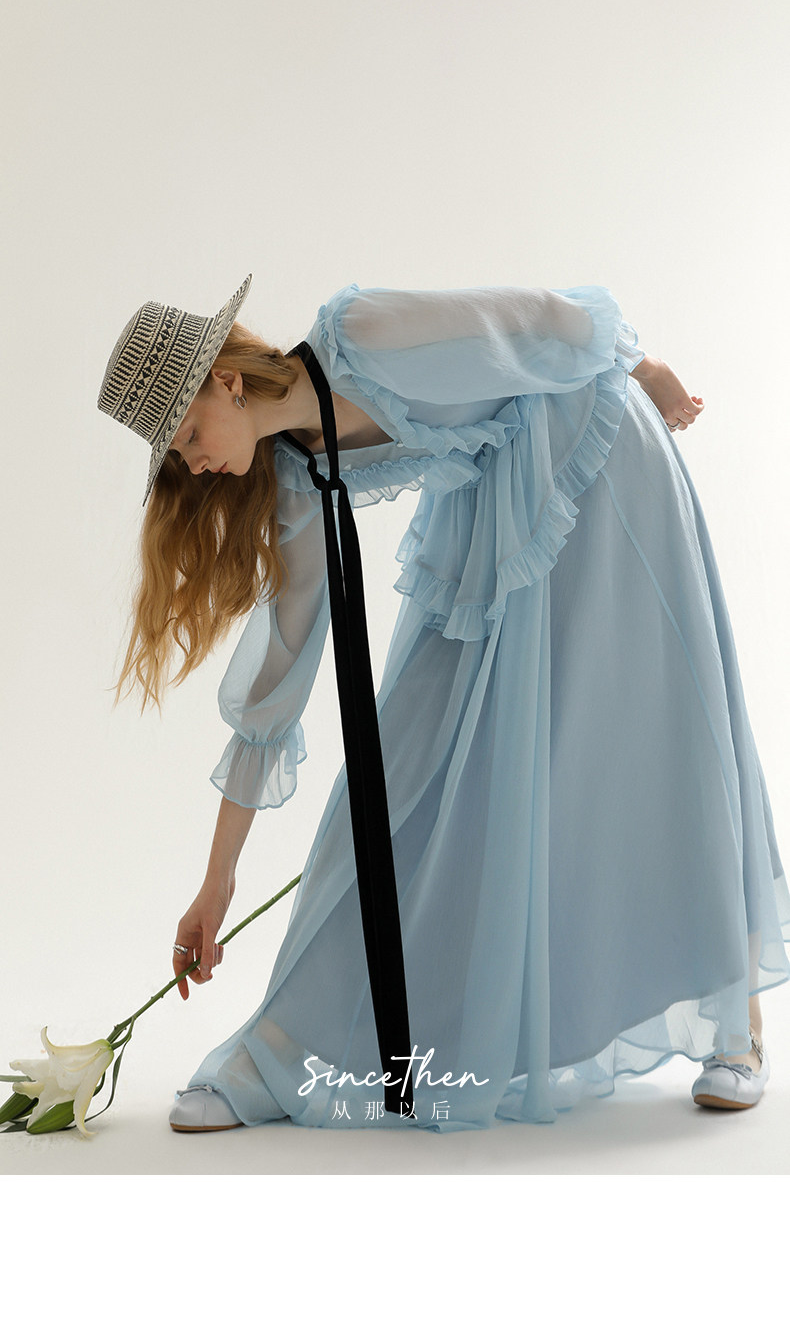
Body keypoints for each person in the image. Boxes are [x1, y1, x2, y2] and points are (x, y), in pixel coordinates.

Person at [98, 274, 789, 1133]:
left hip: (597, 457)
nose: (194, 464)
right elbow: (278, 680)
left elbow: (537, 319)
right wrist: (216, 882)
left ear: (226, 381)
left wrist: (642, 367)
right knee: (403, 774)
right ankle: (278, 1050)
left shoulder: (360, 334)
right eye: (178, 457)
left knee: (649, 731)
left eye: (187, 436)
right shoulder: (295, 474)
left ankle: (735, 1024)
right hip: (495, 517)